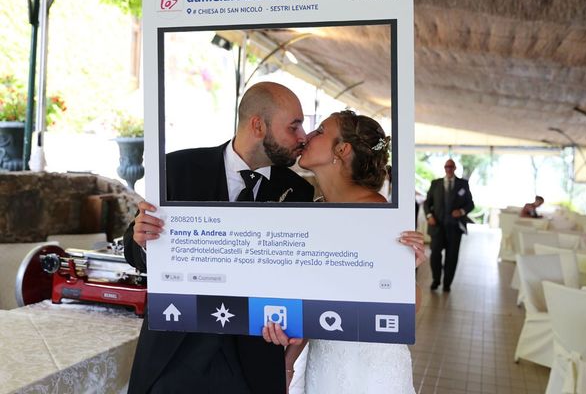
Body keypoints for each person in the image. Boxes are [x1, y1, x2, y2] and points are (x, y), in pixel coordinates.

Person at [123, 81, 315, 394]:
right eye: (293, 126)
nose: (303, 137)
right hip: (175, 353)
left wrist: (289, 331)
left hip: (254, 362)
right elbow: (134, 252)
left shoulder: (299, 191)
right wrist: (141, 239)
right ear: (257, 125)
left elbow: (298, 276)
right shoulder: (177, 168)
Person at [262, 110, 426, 394]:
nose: (308, 135)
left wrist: (406, 269)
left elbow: (408, 310)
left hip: (370, 370)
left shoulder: (377, 212)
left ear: (342, 149)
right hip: (322, 365)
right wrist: (287, 365)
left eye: (321, 130)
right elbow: (312, 298)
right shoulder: (314, 210)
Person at [423, 159, 474, 292]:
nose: (449, 169)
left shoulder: (463, 184)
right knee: (435, 254)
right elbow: (427, 203)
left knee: (452, 257)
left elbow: (470, 204)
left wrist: (462, 211)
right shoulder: (436, 183)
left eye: (451, 166)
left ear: (455, 168)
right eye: (447, 166)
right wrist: (429, 216)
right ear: (444, 168)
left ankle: (447, 283)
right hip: (437, 227)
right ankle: (436, 280)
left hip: (455, 228)